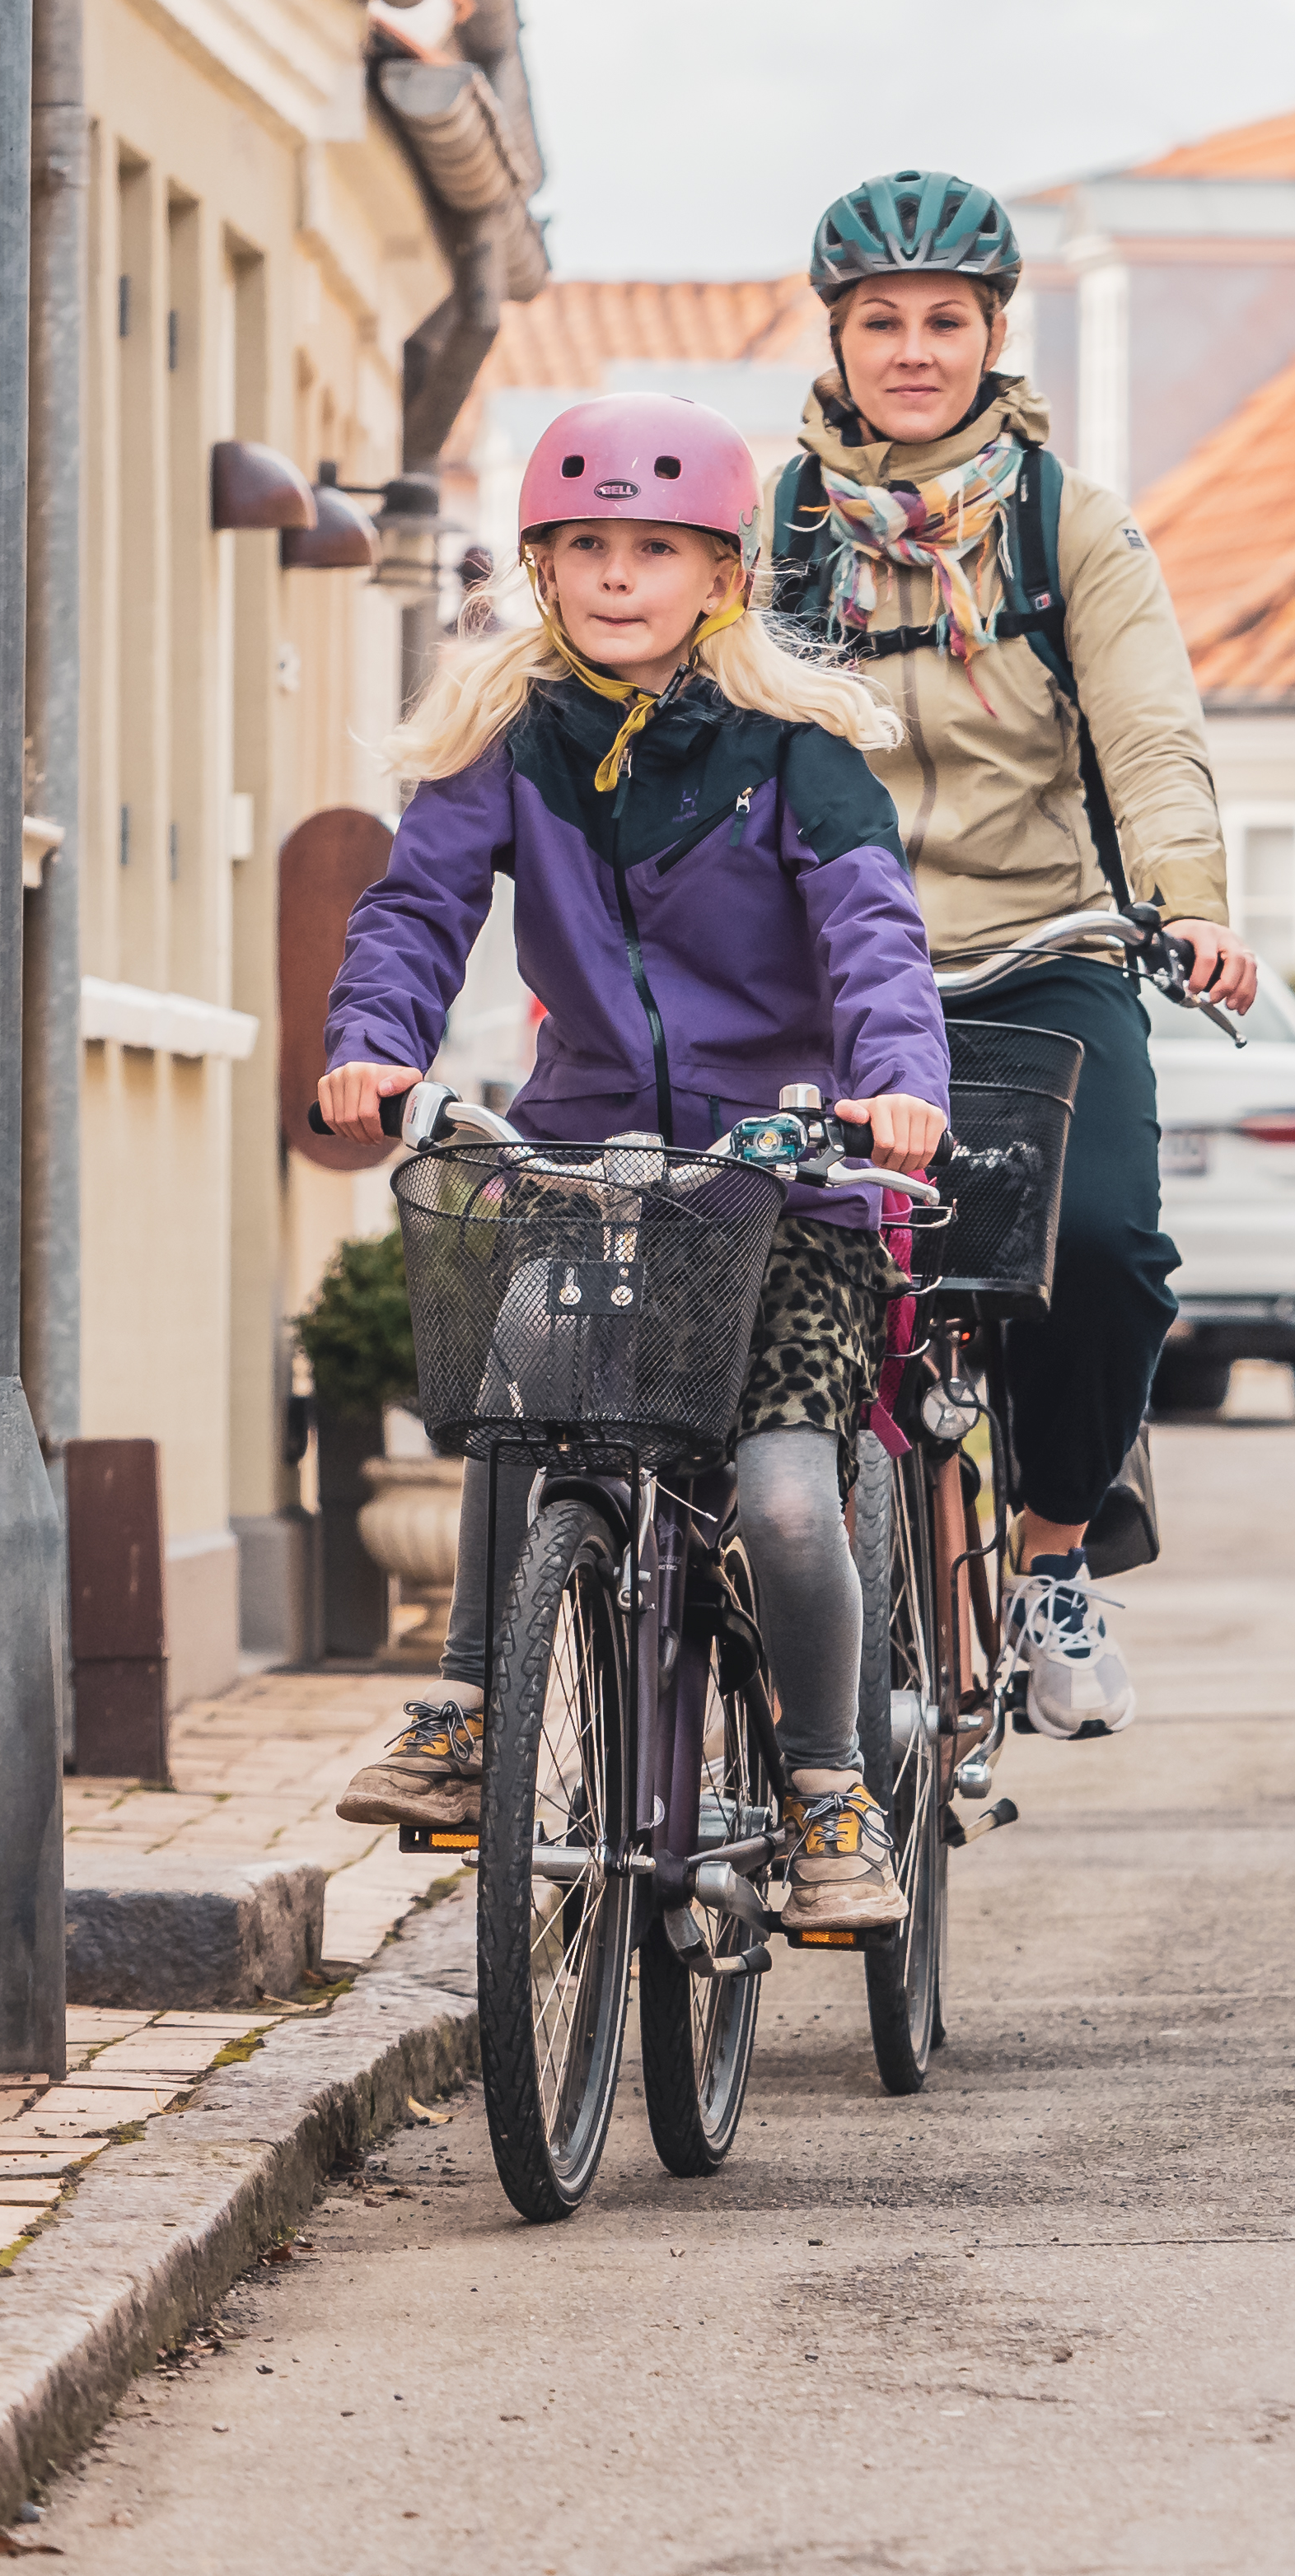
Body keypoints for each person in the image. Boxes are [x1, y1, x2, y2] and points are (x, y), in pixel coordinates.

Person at [320, 394, 950, 1934]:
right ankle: (470, 1715)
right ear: (541, 568)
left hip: (786, 1178)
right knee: (514, 1385)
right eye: (584, 545)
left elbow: (873, 931)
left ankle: (825, 1794)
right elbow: (416, 909)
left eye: (652, 548)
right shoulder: (506, 741)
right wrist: (374, 1036)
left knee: (791, 1501)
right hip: (594, 1160)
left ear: (719, 574)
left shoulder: (796, 752)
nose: (616, 575)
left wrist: (896, 1087)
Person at [771, 169, 1258, 1739]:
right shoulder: (768, 530)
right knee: (759, 1257)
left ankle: (1055, 1552)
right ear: (837, 340)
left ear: (993, 335)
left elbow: (1150, 731)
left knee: (1107, 1254)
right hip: (827, 965)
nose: (913, 350)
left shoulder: (1067, 525)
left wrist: (1187, 899)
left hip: (1039, 943)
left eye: (945, 322)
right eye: (880, 323)